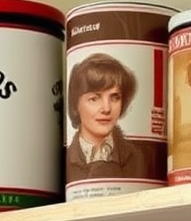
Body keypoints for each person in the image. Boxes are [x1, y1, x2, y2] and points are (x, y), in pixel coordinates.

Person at [65, 53, 154, 185]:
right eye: (94, 98)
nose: (106, 108)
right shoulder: (62, 164)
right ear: (75, 104)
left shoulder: (140, 158)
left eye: (114, 97)